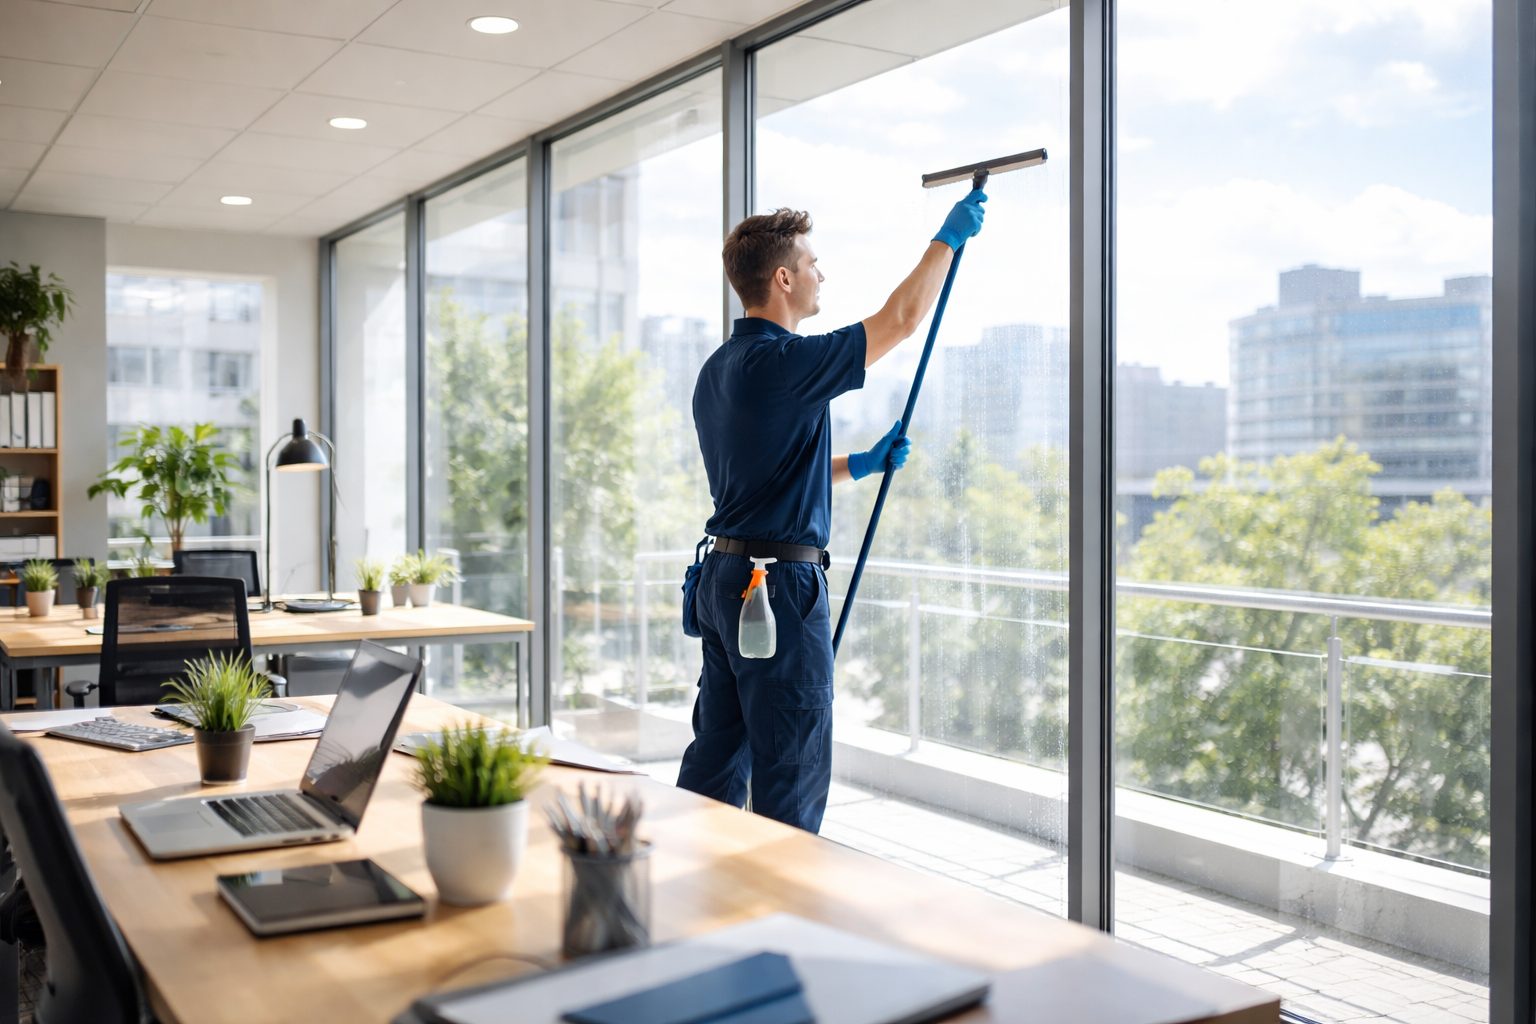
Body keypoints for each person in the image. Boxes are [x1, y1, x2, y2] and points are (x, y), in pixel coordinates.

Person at [678, 189, 988, 833]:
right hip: (777, 590)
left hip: (725, 579)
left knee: (717, 753)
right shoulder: (785, 361)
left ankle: (692, 891)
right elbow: (901, 320)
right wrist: (947, 241)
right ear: (784, 278)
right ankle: (786, 913)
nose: (823, 275)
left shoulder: (719, 369)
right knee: (790, 762)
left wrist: (861, 464)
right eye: (814, 264)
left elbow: (768, 474)